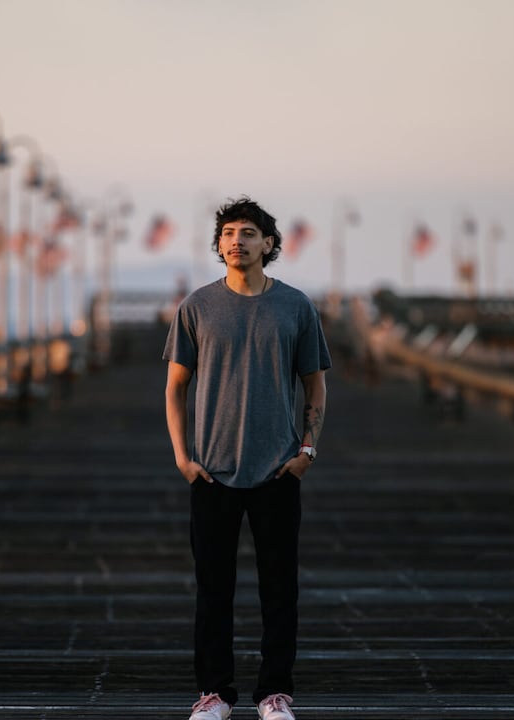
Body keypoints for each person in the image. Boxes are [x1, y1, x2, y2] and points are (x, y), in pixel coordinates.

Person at [164, 197, 331, 720]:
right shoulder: (196, 307)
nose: (238, 241)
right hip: (212, 473)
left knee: (280, 588)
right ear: (219, 245)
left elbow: (316, 386)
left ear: (269, 245)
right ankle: (214, 695)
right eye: (229, 233)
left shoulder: (296, 307)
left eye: (249, 233)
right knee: (213, 589)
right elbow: (174, 389)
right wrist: (183, 458)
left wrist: (307, 450)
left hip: (278, 470)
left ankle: (274, 695)